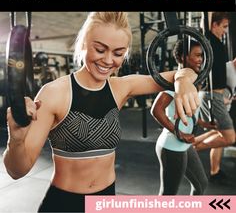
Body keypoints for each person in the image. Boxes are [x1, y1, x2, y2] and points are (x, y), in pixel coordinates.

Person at [3, 12, 199, 213]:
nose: (107, 60)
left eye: (118, 53)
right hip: (64, 205)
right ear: (84, 44)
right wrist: (16, 140)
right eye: (100, 49)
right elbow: (17, 170)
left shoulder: (121, 87)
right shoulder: (54, 93)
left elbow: (189, 71)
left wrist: (182, 80)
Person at [151, 39, 217, 195]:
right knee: (168, 194)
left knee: (201, 184)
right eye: (197, 55)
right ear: (182, 58)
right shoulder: (175, 82)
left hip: (184, 145)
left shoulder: (193, 81)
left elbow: (189, 114)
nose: (201, 59)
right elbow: (156, 110)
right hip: (171, 146)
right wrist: (178, 132)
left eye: (202, 55)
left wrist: (204, 124)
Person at [194, 12, 236, 183]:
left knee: (217, 132)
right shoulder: (209, 40)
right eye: (224, 26)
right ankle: (191, 148)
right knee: (229, 137)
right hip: (212, 96)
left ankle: (215, 171)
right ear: (214, 25)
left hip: (216, 95)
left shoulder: (218, 43)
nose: (225, 31)